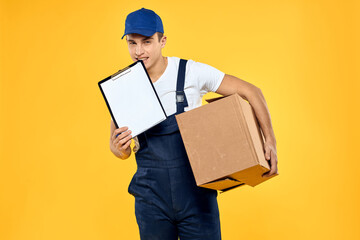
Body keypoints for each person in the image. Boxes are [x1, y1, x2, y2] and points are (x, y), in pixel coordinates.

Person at [109, 7, 278, 240]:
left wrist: (269, 141)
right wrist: (119, 149)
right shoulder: (123, 86)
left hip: (197, 196)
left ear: (162, 41)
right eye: (132, 43)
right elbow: (121, 150)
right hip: (150, 199)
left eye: (147, 42)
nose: (139, 51)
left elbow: (252, 92)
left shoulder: (190, 72)